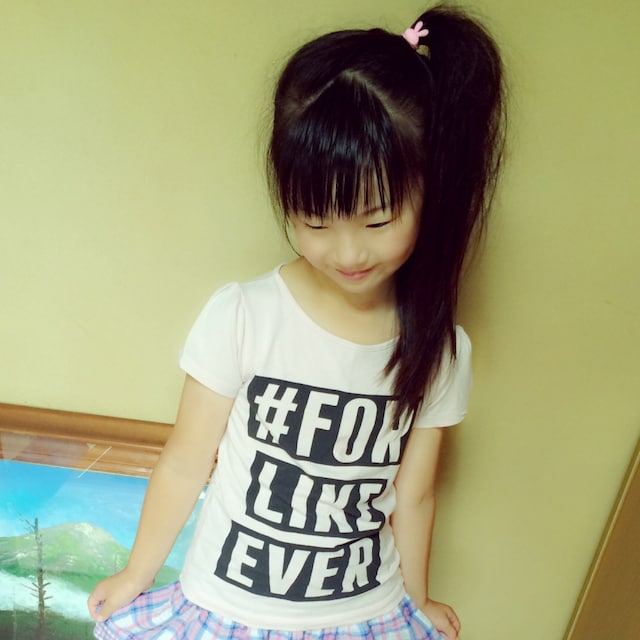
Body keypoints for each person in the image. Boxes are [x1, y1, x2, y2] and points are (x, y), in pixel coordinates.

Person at [88, 4, 505, 639]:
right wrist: (135, 573)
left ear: (431, 192)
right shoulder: (244, 315)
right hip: (229, 609)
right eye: (315, 221)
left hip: (363, 615)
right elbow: (185, 463)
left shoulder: (442, 350)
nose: (348, 252)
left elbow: (415, 494)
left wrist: (417, 599)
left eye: (377, 219)